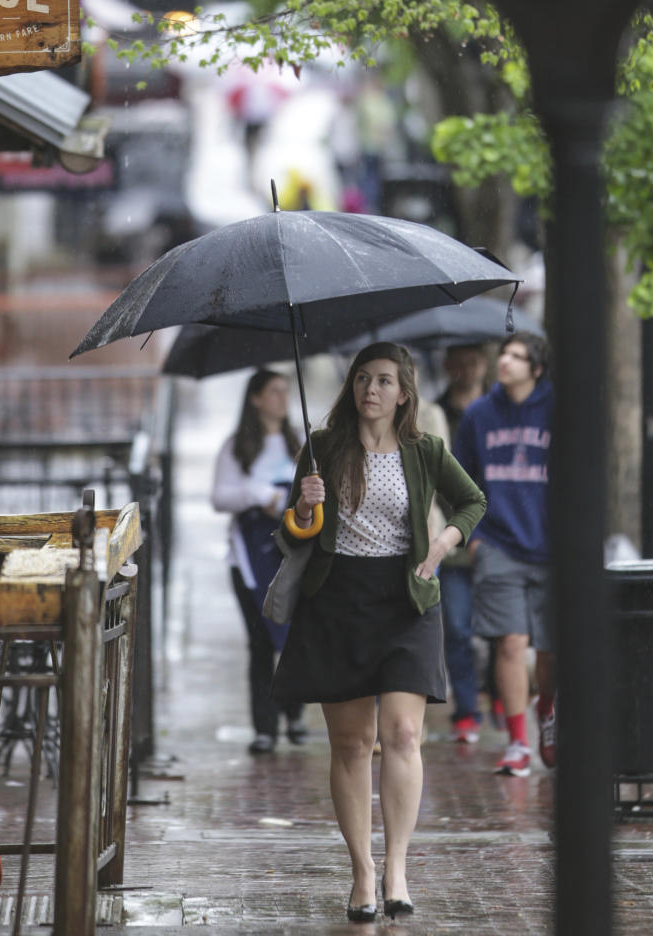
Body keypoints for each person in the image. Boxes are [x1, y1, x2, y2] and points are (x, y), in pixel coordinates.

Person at [271, 342, 486, 923]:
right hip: (337, 601)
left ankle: (396, 867)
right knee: (349, 744)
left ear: (404, 392)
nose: (372, 389)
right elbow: (292, 534)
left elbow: (471, 501)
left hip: (406, 599)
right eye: (363, 378)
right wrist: (304, 506)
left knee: (403, 733)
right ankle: (361, 872)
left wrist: (444, 543)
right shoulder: (321, 448)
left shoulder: (425, 450)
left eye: (385, 381)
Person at [454, 332, 556, 777]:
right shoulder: (478, 415)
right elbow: (458, 480)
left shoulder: (559, 412)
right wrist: (473, 538)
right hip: (497, 545)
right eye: (504, 354)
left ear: (536, 369)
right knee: (510, 643)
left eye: (518, 357)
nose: (506, 362)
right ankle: (517, 741)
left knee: (550, 650)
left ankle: (547, 711)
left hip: (554, 550)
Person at [211, 368, 307, 754]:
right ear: (255, 398)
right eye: (274, 391)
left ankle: (295, 713)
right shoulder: (236, 447)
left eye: (286, 391)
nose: (282, 398)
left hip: (291, 557)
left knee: (294, 637)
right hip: (247, 562)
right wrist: (258, 495)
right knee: (260, 641)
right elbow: (219, 498)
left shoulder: (299, 444)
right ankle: (264, 726)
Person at [434, 344, 492, 744]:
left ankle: (503, 696)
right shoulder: (433, 414)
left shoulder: (497, 412)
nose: (469, 368)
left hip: (499, 538)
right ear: (448, 365)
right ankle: (468, 707)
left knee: (502, 627)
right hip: (451, 539)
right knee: (456, 625)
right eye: (462, 360)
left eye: (476, 360)